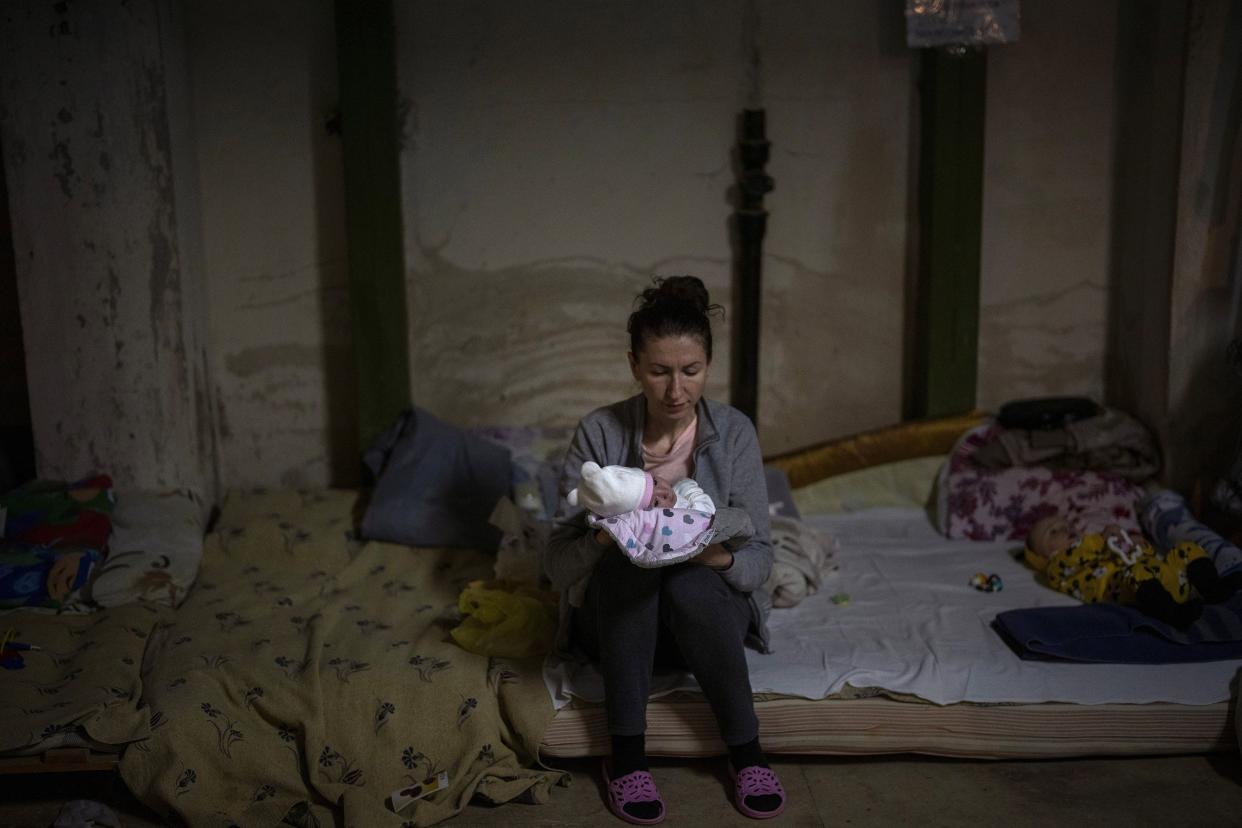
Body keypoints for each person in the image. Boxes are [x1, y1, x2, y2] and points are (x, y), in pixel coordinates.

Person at [545, 276, 784, 824]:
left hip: (698, 628)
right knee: (631, 569)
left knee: (689, 579)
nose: (676, 391)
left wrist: (713, 554)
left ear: (708, 365)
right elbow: (556, 564)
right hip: (616, 630)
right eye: (659, 371)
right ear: (634, 365)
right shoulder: (600, 433)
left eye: (690, 371)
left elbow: (762, 557)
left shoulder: (735, 433)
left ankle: (746, 752)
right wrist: (611, 534)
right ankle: (626, 758)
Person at [1023, 515, 1242, 627]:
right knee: (1137, 572)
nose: (1064, 528)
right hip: (1134, 590)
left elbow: (1141, 556)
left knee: (1186, 549)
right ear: (1044, 555)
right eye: (1053, 532)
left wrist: (1137, 544)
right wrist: (1102, 539)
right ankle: (1172, 612)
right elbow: (1081, 553)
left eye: (1066, 524)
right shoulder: (1058, 568)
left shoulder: (1098, 547)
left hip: (1165, 577)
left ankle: (1212, 588)